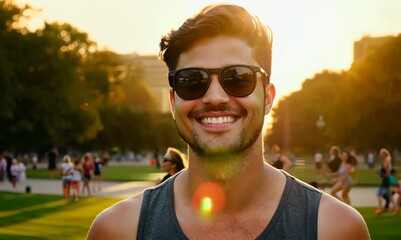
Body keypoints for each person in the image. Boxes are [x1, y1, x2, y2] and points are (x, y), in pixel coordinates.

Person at [87, 4, 370, 239]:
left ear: (268, 97)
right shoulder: (117, 230)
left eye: (238, 77)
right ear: (174, 102)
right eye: (192, 81)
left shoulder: (336, 229)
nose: (214, 97)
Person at [374, 148, 397, 215]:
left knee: (379, 194)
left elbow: (387, 172)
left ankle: (380, 208)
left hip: (385, 180)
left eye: (381, 153)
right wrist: (378, 172)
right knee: (389, 196)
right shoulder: (385, 160)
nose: (380, 154)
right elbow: (383, 172)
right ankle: (395, 209)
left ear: (384, 154)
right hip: (385, 179)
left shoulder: (387, 160)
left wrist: (378, 171)